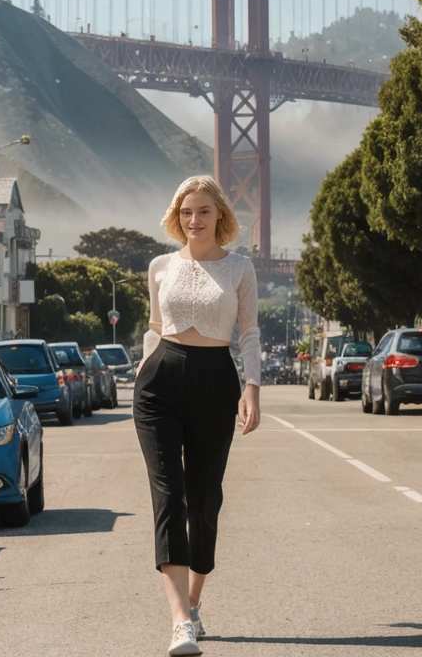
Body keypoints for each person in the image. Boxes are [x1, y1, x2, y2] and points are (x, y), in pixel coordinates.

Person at [133, 175, 261, 656]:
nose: (194, 221)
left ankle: (194, 604)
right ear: (176, 217)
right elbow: (153, 326)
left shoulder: (239, 269)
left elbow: (247, 333)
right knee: (168, 495)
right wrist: (145, 371)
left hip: (214, 381)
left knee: (204, 501)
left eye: (204, 211)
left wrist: (252, 389)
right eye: (186, 213)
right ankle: (179, 622)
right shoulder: (160, 266)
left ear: (220, 216)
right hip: (159, 382)